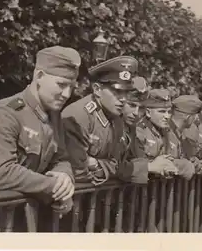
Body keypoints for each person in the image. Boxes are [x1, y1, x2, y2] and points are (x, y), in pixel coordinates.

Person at [0, 46, 80, 232]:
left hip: (21, 210)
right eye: (61, 85)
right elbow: (0, 173)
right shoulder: (5, 113)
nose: (67, 94)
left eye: (72, 87)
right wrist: (53, 187)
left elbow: (60, 158)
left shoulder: (54, 116)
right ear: (40, 77)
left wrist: (65, 177)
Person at [62, 56, 151, 185]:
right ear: (97, 89)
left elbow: (117, 164)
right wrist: (105, 167)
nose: (123, 99)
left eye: (126, 92)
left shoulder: (117, 119)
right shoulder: (78, 116)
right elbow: (77, 171)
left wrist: (97, 164)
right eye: (117, 92)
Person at [134, 89, 181, 178]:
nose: (167, 116)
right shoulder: (140, 131)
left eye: (169, 112)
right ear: (148, 112)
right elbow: (138, 164)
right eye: (162, 111)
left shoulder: (169, 133)